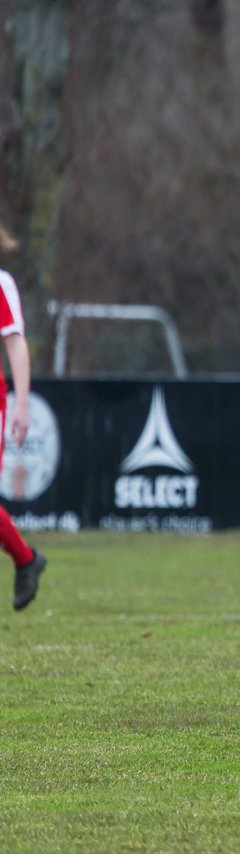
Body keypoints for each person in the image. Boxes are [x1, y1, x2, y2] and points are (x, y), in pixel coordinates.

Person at [0, 224, 47, 611]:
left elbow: (15, 343)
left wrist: (22, 402)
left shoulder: (1, 283)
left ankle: (26, 560)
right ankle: (26, 559)